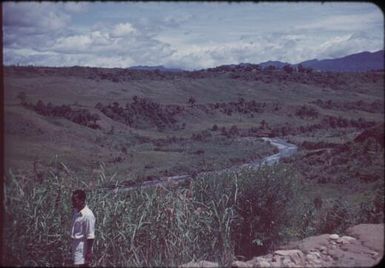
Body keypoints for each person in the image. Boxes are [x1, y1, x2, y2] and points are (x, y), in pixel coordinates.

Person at [71, 189, 96, 267]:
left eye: (75, 200)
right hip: (75, 245)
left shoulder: (88, 215)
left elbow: (90, 236)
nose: (73, 203)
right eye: (72, 200)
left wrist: (89, 252)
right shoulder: (76, 212)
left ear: (82, 200)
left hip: (83, 248)